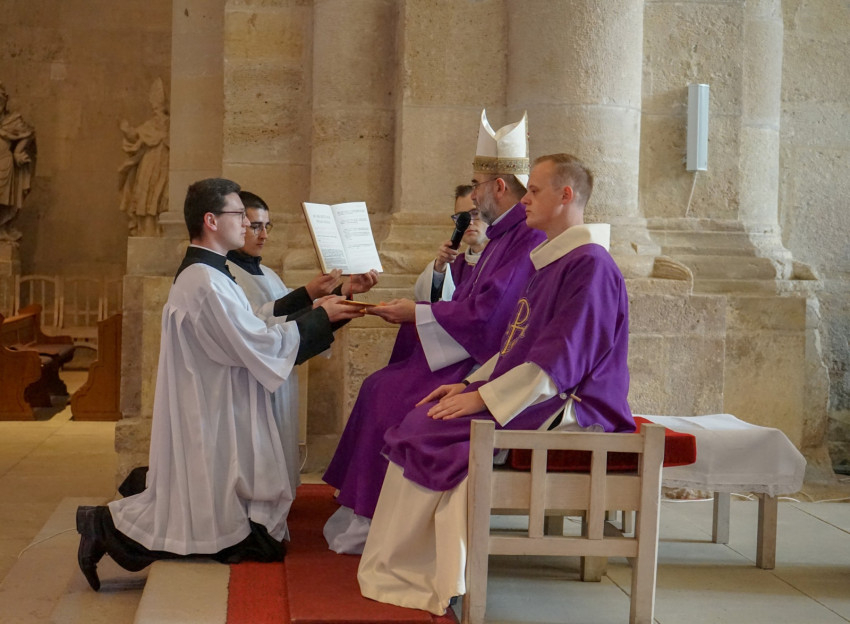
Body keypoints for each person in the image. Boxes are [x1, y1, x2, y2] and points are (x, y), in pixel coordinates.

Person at [357, 153, 635, 615]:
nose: (524, 199)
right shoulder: (554, 261)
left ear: (566, 196)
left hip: (575, 406)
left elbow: (559, 362)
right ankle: (409, 564)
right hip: (536, 391)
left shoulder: (590, 266)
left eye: (535, 191)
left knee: (430, 429)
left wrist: (482, 400)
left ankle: (421, 571)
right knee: (422, 418)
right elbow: (515, 346)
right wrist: (469, 385)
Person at [75, 178, 367, 591]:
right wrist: (322, 317)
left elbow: (254, 326)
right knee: (235, 534)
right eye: (239, 216)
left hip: (218, 399)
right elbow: (258, 341)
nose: (247, 225)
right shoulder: (205, 280)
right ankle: (103, 525)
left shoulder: (212, 274)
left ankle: (106, 525)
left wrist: (322, 310)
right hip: (212, 405)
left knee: (235, 529)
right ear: (211, 221)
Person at [322, 110, 547, 553]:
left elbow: (490, 316)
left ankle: (381, 519)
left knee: (390, 395)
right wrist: (425, 302)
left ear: (499, 186)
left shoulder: (525, 239)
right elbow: (473, 297)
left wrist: (417, 314)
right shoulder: (504, 237)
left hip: (487, 365)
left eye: (478, 185)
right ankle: (366, 509)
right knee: (379, 387)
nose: (474, 194)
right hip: (473, 353)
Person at [225, 190, 378, 495]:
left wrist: (345, 292)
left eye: (267, 226)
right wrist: (312, 297)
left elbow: (294, 319)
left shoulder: (268, 274)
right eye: (256, 226)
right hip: (249, 384)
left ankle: (275, 503)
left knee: (279, 446)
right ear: (237, 225)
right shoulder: (227, 276)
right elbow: (259, 326)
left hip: (279, 376)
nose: (264, 235)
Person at [412, 184, 488, 303]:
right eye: (461, 217)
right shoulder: (454, 265)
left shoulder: (503, 259)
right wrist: (439, 268)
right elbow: (429, 302)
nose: (469, 222)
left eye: (475, 213)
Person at [118, 78, 169, 237]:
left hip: (162, 163)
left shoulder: (169, 124)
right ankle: (146, 229)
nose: (155, 106)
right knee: (144, 194)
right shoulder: (150, 124)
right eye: (153, 102)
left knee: (158, 195)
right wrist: (126, 130)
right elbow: (136, 137)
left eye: (158, 103)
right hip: (148, 162)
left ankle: (155, 229)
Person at [0, 82, 36, 242]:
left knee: (5, 201)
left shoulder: (12, 121)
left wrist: (17, 152)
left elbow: (28, 133)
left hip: (4, 165)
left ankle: (2, 229)